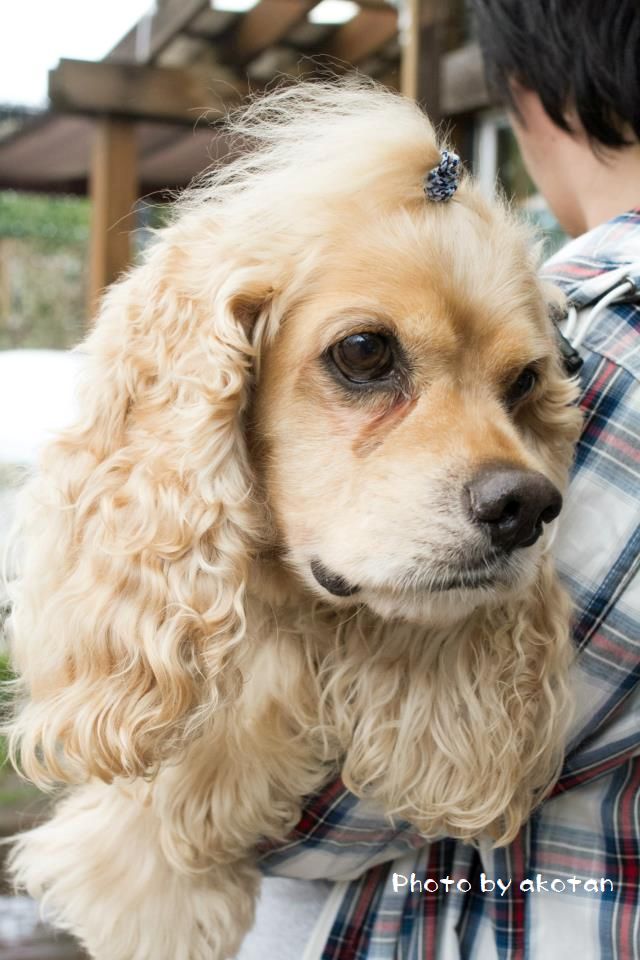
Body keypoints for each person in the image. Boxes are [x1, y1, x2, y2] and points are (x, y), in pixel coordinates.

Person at [239, 2, 640, 956]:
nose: (519, 483)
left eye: (519, 386)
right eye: (367, 356)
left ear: (529, 90)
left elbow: (280, 823)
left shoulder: (603, 332)